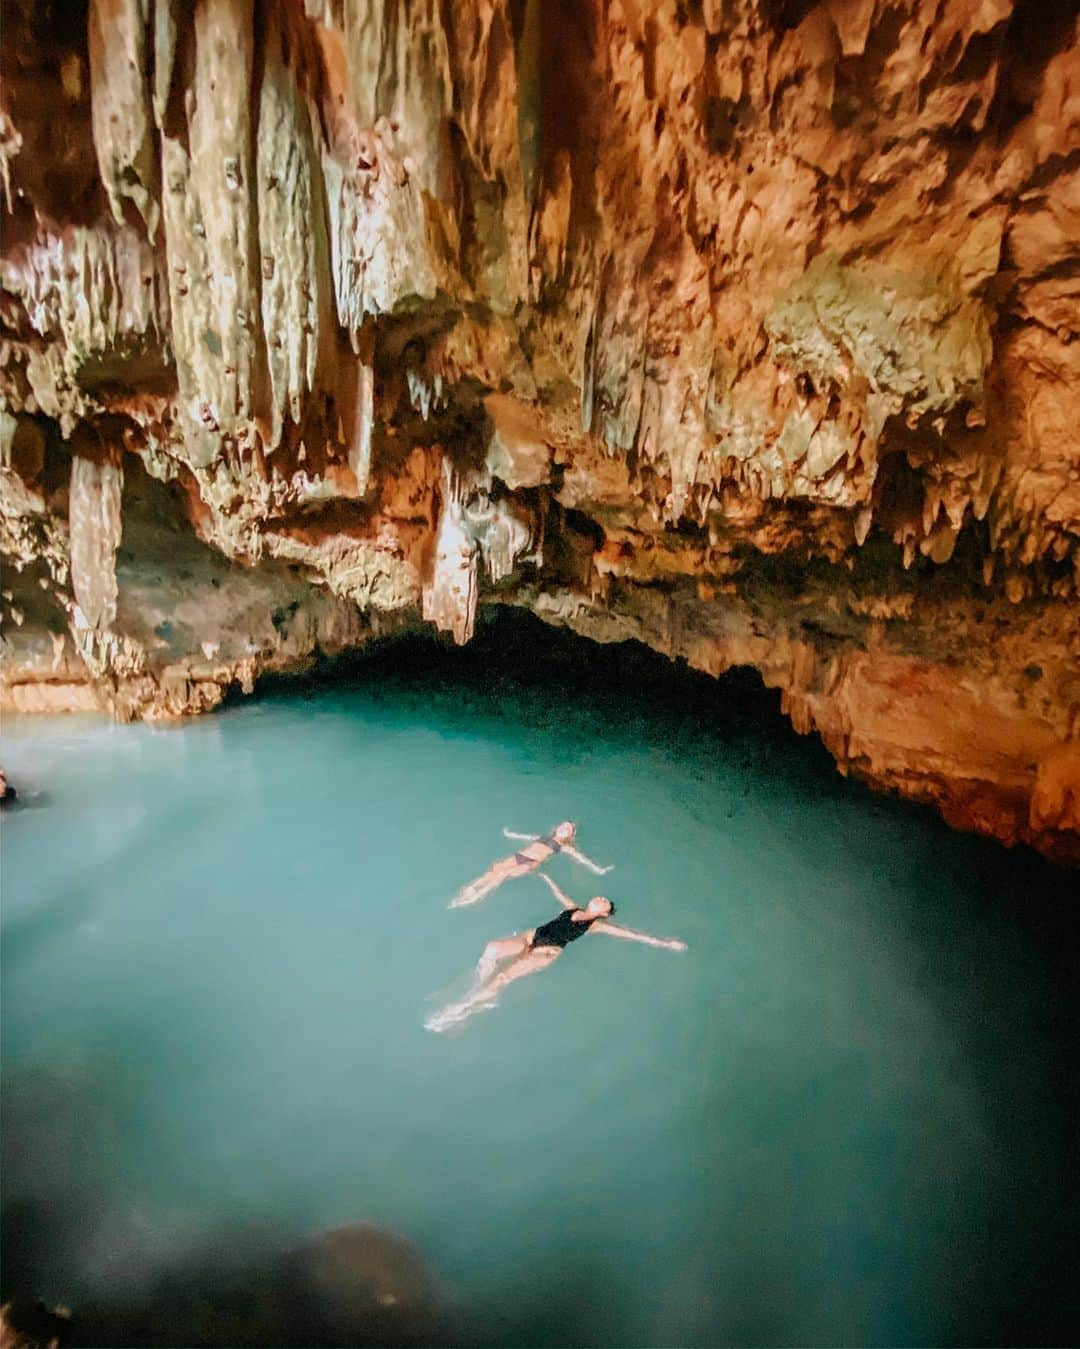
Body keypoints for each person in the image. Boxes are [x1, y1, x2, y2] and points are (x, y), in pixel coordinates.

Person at [426, 874, 686, 1032]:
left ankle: (461, 1009)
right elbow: (560, 894)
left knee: (504, 978)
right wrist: (546, 877)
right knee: (492, 948)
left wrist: (664, 943)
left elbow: (631, 934)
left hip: (547, 952)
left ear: (604, 912)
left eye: (603, 902)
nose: (599, 898)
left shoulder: (596, 925)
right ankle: (478, 983)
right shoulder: (573, 907)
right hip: (532, 936)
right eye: (599, 897)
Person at [449, 821, 612, 909]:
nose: (565, 827)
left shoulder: (564, 846)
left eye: (568, 828)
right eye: (563, 825)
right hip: (520, 855)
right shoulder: (543, 837)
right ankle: (474, 887)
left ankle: (476, 896)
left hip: (531, 863)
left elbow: (581, 858)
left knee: (502, 875)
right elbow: (524, 837)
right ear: (557, 828)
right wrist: (510, 834)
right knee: (495, 869)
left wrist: (598, 869)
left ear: (570, 835)